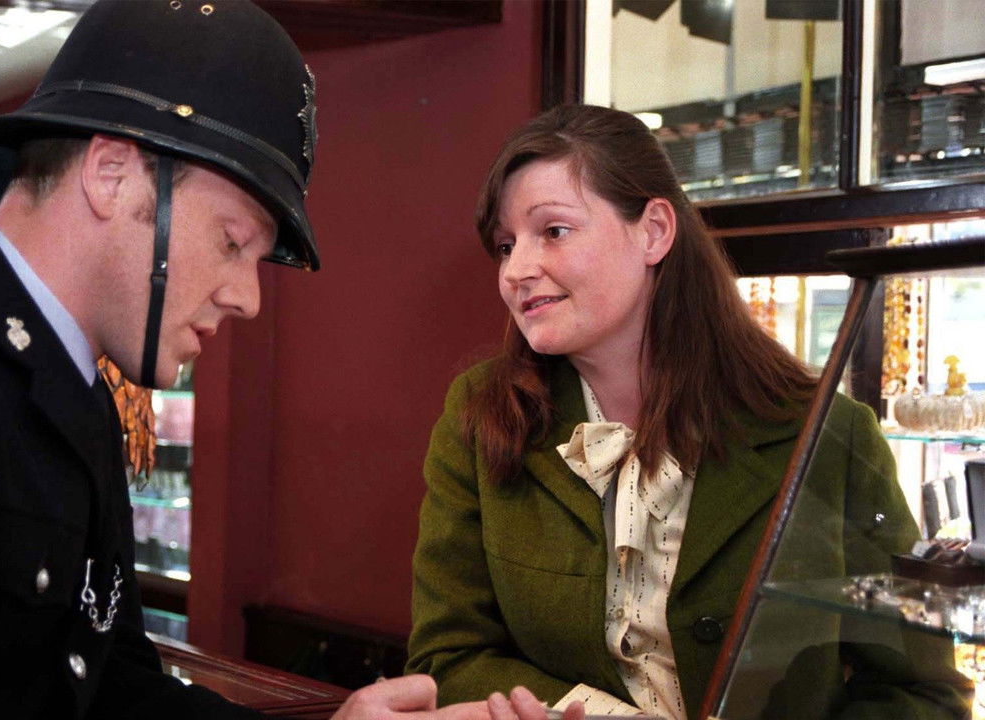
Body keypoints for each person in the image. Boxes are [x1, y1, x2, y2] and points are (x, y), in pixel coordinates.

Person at [0, 2, 560, 719]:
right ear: (111, 174)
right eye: (232, 242)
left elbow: (111, 687)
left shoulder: (68, 390)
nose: (248, 297)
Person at [405, 104, 971, 720]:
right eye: (505, 246)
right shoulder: (479, 415)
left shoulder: (825, 433)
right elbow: (447, 658)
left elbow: (924, 694)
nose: (516, 270)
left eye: (554, 231)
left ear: (653, 231)